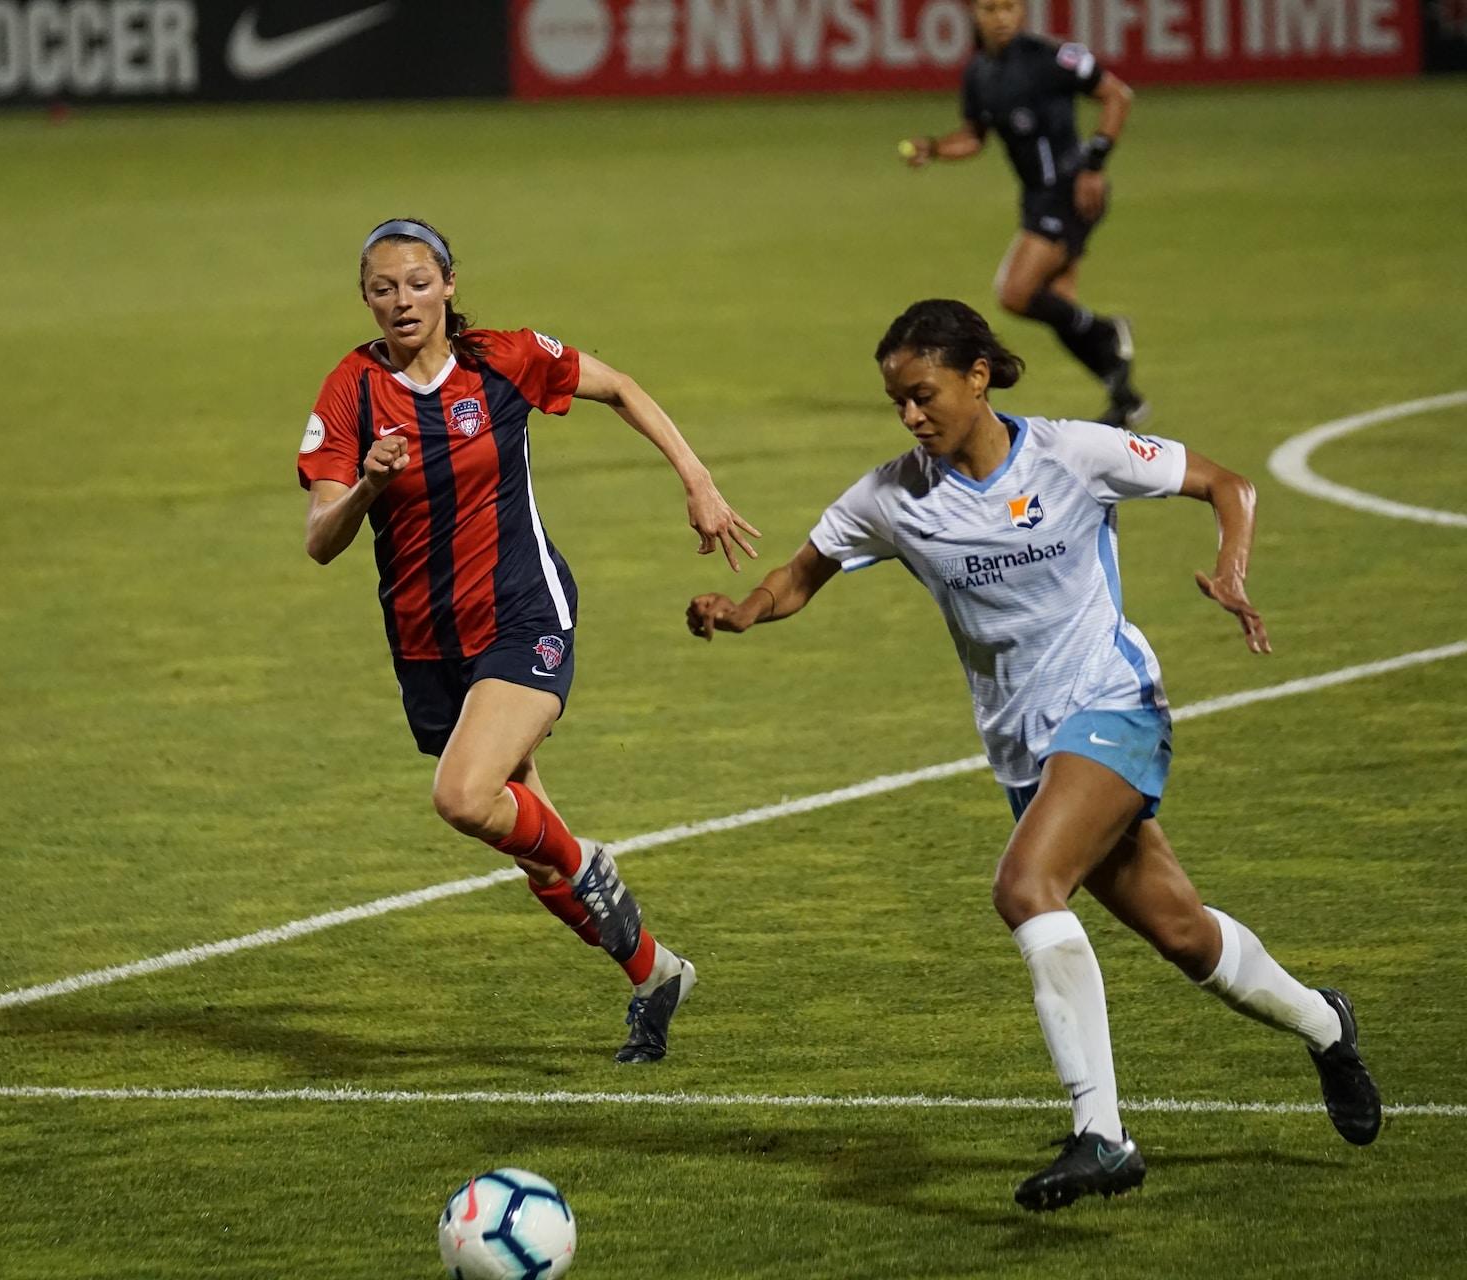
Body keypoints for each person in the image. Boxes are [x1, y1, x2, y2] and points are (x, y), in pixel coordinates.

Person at [685, 299, 1379, 1209]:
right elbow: (800, 575)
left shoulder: (1073, 453)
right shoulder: (893, 497)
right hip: (1024, 749)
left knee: (1024, 888)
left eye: (924, 394)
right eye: (897, 402)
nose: (911, 416)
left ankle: (1103, 1136)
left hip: (1114, 703)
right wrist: (745, 611)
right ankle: (1326, 1025)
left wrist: (1233, 571)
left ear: (977, 376)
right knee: (1183, 935)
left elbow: (1228, 484)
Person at [300, 218, 760, 1063]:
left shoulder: (502, 360)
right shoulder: (351, 392)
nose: (402, 301)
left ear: (448, 285)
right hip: (427, 643)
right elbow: (320, 540)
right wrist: (367, 485)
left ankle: (589, 861)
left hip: (522, 616)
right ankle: (658, 975)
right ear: (364, 297)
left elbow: (619, 387)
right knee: (534, 857)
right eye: (382, 288)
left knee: (463, 798)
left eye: (417, 283)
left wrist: (697, 480)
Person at [900, 0, 1148, 427]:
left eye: (1009, 7)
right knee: (1060, 307)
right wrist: (935, 148)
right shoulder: (979, 71)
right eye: (990, 9)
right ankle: (1124, 396)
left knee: (1015, 292)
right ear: (974, 14)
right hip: (1037, 198)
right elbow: (975, 137)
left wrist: (1094, 164)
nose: (1001, 18)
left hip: (1070, 192)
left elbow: (1116, 96)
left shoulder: (1052, 58)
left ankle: (1108, 333)